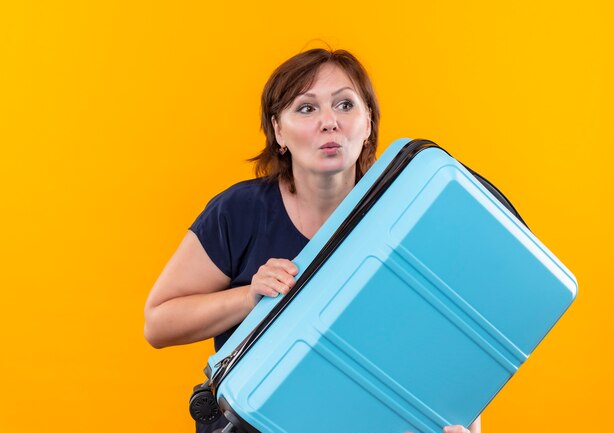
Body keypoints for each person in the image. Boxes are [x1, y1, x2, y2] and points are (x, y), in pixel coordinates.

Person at [144, 48, 481, 433]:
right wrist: (250, 299)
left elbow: (449, 339)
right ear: (278, 131)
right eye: (306, 109)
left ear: (368, 122)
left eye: (345, 104)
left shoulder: (409, 212)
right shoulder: (237, 212)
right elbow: (158, 323)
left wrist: (467, 424)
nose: (329, 122)